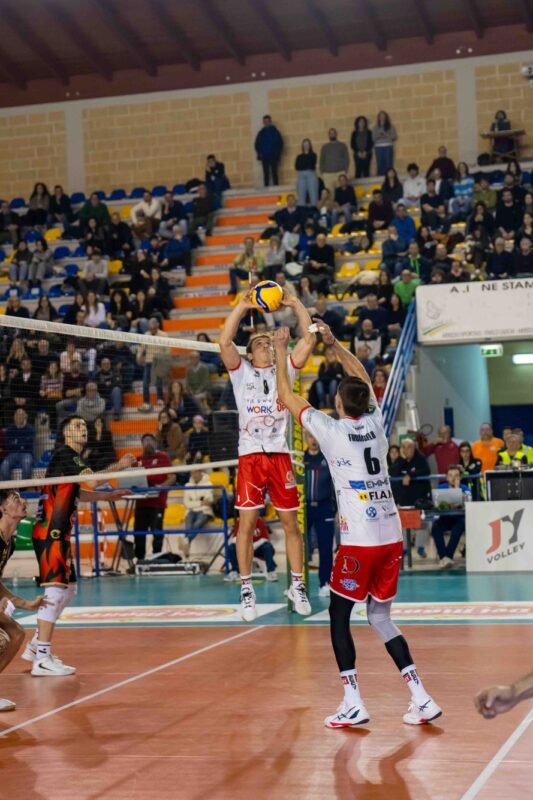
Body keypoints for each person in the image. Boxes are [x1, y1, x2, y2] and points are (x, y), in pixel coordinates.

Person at [273, 322, 442, 727]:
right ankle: (421, 696)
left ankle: (353, 702)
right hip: (391, 536)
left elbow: (285, 395)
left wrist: (280, 350)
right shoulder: (377, 423)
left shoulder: (331, 431)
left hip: (360, 542)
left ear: (338, 403)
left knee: (338, 616)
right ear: (366, 403)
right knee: (380, 618)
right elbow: (362, 377)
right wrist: (335, 344)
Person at [218, 290, 315, 621]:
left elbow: (309, 339)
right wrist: (241, 306)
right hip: (250, 457)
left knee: (291, 524)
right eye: (260, 343)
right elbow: (224, 341)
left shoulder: (284, 367)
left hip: (279, 455)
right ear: (249, 354)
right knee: (246, 524)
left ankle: (298, 586)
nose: (266, 345)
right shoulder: (240, 372)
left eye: (268, 342)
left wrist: (295, 304)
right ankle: (247, 589)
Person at [25, 416, 135, 676]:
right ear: (64, 433)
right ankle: (42, 659)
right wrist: (121, 465)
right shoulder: (66, 454)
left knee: (70, 590)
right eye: (76, 426)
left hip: (59, 533)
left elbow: (79, 492)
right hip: (51, 531)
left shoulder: (68, 461)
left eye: (84, 426)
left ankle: (36, 645)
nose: (83, 429)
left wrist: (108, 496)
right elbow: (92, 481)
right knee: (54, 592)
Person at [0, 490, 50, 711]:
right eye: (15, 499)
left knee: (17, 634)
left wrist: (25, 603)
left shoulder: (9, 543)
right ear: (3, 509)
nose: (23, 501)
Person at [133, 433, 175, 561]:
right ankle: (139, 560)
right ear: (142, 444)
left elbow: (172, 477)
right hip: (141, 503)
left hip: (157, 503)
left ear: (155, 443)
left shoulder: (163, 457)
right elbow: (131, 480)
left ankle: (157, 559)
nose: (148, 443)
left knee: (157, 533)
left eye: (150, 440)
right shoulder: (137, 460)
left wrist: (160, 487)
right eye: (145, 441)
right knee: (138, 533)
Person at [304, 432, 336, 597]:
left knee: (325, 547)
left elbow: (337, 484)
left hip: (325, 508)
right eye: (310, 437)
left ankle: (325, 583)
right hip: (304, 508)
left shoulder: (327, 458)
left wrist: (336, 508)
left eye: (315, 436)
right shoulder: (300, 459)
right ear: (306, 439)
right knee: (299, 546)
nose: (313, 440)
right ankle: (297, 585)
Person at [431, 465, 470, 568]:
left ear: (460, 477)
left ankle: (447, 557)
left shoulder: (465, 488)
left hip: (459, 518)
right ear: (447, 478)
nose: (453, 478)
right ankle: (444, 558)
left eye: (456, 475)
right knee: (435, 527)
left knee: (458, 528)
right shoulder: (441, 488)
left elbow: (468, 503)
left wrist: (457, 489)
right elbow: (436, 504)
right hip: (444, 517)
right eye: (450, 475)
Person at [224, 516, 277, 582]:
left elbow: (265, 539)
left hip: (258, 548)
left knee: (267, 546)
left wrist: (252, 546)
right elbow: (235, 539)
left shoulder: (260, 521)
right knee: (232, 547)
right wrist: (246, 546)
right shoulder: (240, 522)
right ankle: (234, 571)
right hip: (244, 549)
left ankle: (271, 571)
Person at [182, 468, 214, 552]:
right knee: (188, 526)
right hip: (191, 510)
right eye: (192, 473)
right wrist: (201, 502)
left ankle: (185, 541)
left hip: (204, 510)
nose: (194, 475)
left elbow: (209, 501)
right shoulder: (187, 485)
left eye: (196, 472)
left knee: (197, 524)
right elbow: (186, 503)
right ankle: (187, 543)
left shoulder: (208, 484)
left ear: (201, 472)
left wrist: (193, 502)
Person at [0, 409, 34, 482]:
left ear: (25, 417)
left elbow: (29, 445)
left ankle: (23, 487)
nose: (18, 417)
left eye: (21, 415)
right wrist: (21, 443)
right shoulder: (10, 429)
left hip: (26, 453)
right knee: (4, 466)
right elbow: (8, 445)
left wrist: (16, 442)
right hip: (12, 454)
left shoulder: (30, 429)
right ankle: (9, 487)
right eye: (17, 415)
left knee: (27, 465)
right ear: (14, 417)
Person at [255, 115, 284, 187]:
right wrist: (260, 153)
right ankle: (266, 187)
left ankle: (276, 187)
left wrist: (278, 153)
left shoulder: (275, 132)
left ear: (270, 122)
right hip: (265, 156)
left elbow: (280, 143)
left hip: (274, 155)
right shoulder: (261, 133)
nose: (266, 123)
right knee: (266, 173)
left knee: (274, 172)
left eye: (268, 121)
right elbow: (257, 144)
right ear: (263, 123)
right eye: (265, 122)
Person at [319, 128, 350, 194]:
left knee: (341, 193)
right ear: (328, 135)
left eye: (333, 133)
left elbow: (346, 158)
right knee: (330, 194)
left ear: (336, 134)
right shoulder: (325, 147)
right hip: (328, 174)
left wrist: (345, 170)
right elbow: (322, 160)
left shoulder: (342, 145)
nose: (332, 135)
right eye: (331, 133)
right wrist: (322, 171)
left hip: (340, 173)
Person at [295, 138, 319, 207]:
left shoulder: (313, 155)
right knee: (301, 195)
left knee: (313, 194)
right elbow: (297, 166)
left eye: (307, 144)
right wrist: (305, 165)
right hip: (301, 175)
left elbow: (311, 164)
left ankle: (314, 209)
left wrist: (304, 165)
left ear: (310, 145)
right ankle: (301, 210)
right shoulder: (299, 156)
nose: (306, 146)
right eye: (305, 144)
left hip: (311, 174)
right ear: (302, 145)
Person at [372, 111, 397, 175]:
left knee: (388, 163)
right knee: (380, 163)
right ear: (378, 117)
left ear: (386, 117)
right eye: (380, 116)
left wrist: (386, 135)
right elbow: (373, 137)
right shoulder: (375, 127)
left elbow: (394, 136)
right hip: (378, 147)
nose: (382, 117)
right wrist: (379, 135)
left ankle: (389, 176)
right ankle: (380, 177)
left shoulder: (390, 126)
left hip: (388, 146)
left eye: (383, 115)